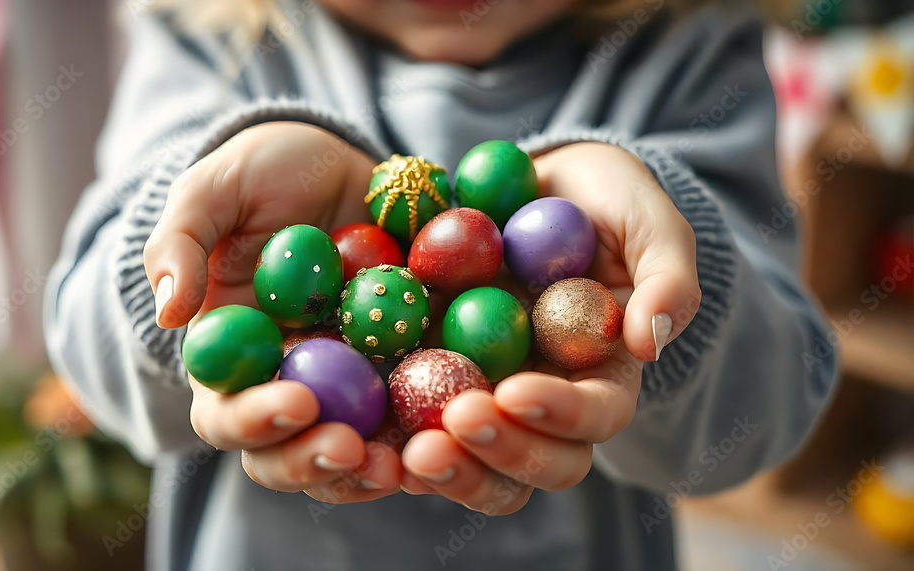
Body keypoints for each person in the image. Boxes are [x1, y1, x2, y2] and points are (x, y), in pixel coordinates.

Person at [45, 0, 838, 568]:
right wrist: (196, 252)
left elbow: (769, 404)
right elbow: (84, 341)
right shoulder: (211, 29)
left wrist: (670, 290)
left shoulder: (693, 44)